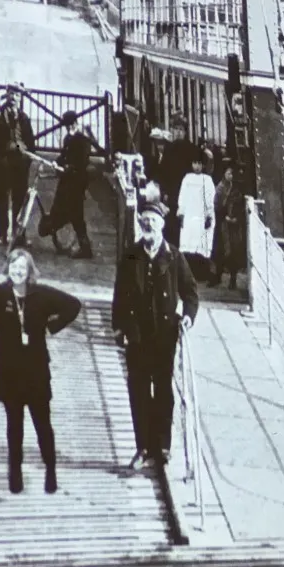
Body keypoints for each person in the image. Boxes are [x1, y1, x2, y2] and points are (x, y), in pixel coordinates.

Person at [0, 248, 82, 494]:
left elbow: (73, 305)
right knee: (14, 425)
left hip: (35, 369)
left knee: (42, 423)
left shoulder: (42, 294)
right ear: (8, 269)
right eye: (14, 267)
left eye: (23, 268)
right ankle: (15, 473)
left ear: (30, 271)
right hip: (8, 368)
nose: (18, 272)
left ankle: (51, 469)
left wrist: (51, 327)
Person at [111, 200, 199, 470]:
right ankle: (142, 447)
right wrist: (119, 327)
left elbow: (191, 293)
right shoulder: (130, 256)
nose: (148, 225)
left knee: (162, 390)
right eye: (144, 220)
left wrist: (187, 316)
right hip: (137, 335)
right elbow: (120, 296)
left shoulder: (174, 256)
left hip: (164, 335)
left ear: (162, 225)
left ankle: (162, 446)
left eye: (153, 221)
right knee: (138, 391)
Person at [0, 85, 36, 246]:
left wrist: (26, 160)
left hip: (19, 165)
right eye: (11, 93)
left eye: (17, 95)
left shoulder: (24, 118)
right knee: (1, 201)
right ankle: (1, 235)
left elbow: (31, 143)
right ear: (7, 95)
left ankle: (19, 236)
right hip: (1, 164)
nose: (14, 97)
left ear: (21, 98)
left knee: (20, 200)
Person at [39, 111, 95, 258]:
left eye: (71, 125)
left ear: (76, 124)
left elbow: (82, 162)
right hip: (66, 181)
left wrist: (68, 168)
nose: (69, 128)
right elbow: (63, 156)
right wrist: (56, 162)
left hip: (77, 182)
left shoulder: (82, 141)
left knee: (76, 214)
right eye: (67, 126)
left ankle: (85, 248)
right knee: (62, 208)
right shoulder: (68, 139)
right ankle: (54, 228)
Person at [155, 115, 198, 244]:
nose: (178, 132)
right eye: (176, 129)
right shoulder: (169, 149)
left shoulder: (192, 150)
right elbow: (163, 172)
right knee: (172, 225)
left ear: (185, 132)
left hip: (188, 193)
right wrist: (164, 192)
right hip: (173, 193)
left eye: (181, 129)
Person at [176, 146, 216, 280]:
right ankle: (188, 273)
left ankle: (201, 273)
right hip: (189, 215)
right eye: (194, 163)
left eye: (199, 163)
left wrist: (209, 215)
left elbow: (210, 198)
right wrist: (181, 212)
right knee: (188, 242)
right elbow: (182, 196)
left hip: (201, 215)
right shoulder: (187, 178)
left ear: (203, 165)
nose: (197, 166)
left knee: (201, 242)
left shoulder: (207, 180)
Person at [211, 161, 246, 290]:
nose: (230, 176)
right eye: (228, 173)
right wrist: (224, 217)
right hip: (222, 224)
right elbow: (216, 206)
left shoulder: (236, 189)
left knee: (234, 252)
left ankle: (233, 279)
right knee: (220, 250)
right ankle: (217, 276)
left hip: (234, 226)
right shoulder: (219, 188)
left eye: (232, 174)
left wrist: (236, 218)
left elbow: (240, 205)